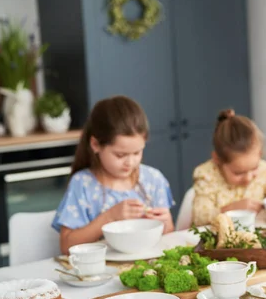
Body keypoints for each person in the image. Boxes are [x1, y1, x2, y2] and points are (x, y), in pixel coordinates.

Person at [53, 96, 175, 254]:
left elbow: (169, 236)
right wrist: (110, 217)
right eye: (120, 155)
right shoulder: (83, 184)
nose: (130, 162)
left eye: (137, 153)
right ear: (96, 145)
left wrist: (167, 223)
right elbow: (66, 246)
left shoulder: (153, 179)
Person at [191, 109, 266, 226]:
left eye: (254, 168)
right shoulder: (207, 176)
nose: (248, 178)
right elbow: (199, 218)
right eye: (238, 173)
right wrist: (228, 210)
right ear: (217, 160)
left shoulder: (265, 171)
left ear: (260, 154)